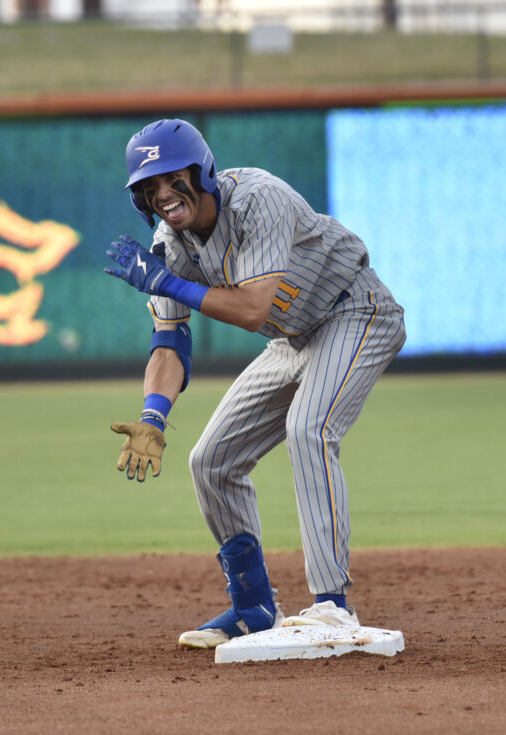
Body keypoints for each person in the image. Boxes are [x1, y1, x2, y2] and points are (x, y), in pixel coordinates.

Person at [104, 118, 406, 649]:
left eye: (173, 178)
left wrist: (166, 281)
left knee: (309, 428)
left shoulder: (258, 200)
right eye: (149, 188)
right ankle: (253, 608)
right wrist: (153, 414)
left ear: (203, 172)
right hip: (293, 339)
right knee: (211, 460)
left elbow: (251, 307)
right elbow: (170, 341)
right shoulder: (168, 247)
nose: (164, 195)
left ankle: (333, 606)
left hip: (356, 311)